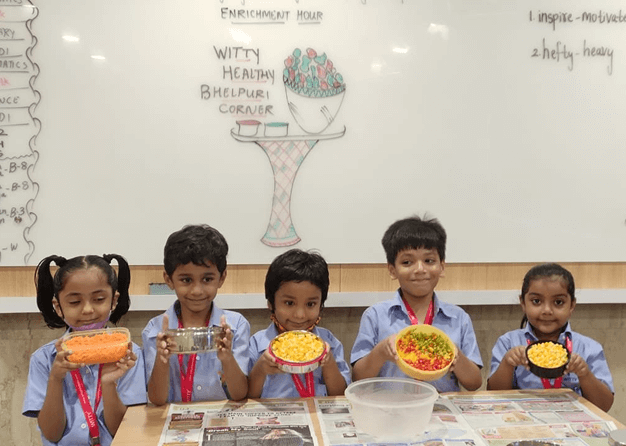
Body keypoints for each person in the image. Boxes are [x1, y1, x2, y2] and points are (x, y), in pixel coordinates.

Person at [22, 254, 146, 446]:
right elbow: (52, 434)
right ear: (58, 307)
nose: (87, 310)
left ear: (114, 300)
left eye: (98, 299)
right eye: (74, 302)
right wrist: (55, 378)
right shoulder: (44, 359)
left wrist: (108, 384)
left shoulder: (129, 356)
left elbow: (125, 432)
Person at [351, 215, 483, 392]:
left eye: (429, 261)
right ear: (392, 270)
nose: (420, 269)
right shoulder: (375, 316)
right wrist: (380, 352)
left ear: (442, 267)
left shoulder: (458, 318)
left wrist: (456, 356)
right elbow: (357, 378)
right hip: (391, 406)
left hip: (441, 407)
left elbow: (474, 383)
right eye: (407, 262)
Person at [142, 224, 249, 404]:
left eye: (207, 279)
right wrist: (162, 361)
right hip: (172, 419)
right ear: (169, 280)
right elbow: (157, 400)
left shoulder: (236, 326)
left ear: (222, 278)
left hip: (221, 418)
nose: (197, 290)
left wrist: (227, 358)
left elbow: (240, 394)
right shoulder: (155, 330)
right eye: (186, 280)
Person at [487, 263, 614, 412]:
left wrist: (584, 374)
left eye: (558, 302)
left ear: (572, 305)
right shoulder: (508, 343)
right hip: (522, 418)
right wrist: (507, 364)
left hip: (573, 420)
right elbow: (494, 395)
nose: (547, 310)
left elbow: (604, 405)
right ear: (523, 303)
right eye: (536, 301)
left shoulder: (589, 348)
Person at [247, 249, 351, 398]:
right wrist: (260, 368)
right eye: (289, 303)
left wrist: (329, 364)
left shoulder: (329, 343)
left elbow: (340, 395)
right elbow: (246, 398)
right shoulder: (257, 345)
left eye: (310, 304)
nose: (300, 315)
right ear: (270, 302)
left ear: (321, 304)